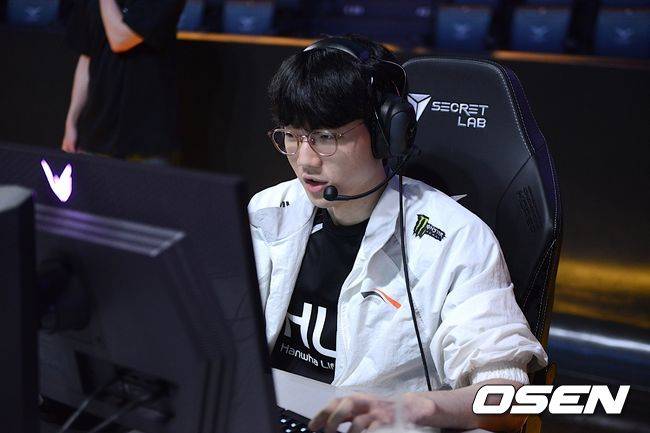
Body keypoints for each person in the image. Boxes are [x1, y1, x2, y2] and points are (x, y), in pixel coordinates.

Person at [247, 35, 547, 433]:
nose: (305, 160)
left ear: (386, 131)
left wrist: (413, 408)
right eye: (291, 135)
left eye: (325, 137)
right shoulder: (267, 211)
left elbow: (508, 398)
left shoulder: (455, 239)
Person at [62, 0, 185, 160]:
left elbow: (120, 39)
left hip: (148, 137)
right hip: (96, 133)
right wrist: (72, 121)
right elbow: (87, 57)